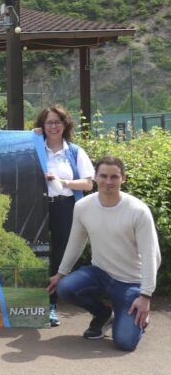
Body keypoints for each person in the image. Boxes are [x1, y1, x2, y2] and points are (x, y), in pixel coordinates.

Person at [47, 156, 160, 351]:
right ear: (95, 177)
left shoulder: (138, 211)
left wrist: (146, 296)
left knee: (125, 342)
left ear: (123, 178)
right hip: (100, 274)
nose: (108, 182)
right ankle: (103, 314)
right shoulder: (83, 206)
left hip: (131, 282)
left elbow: (152, 256)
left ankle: (137, 318)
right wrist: (60, 274)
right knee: (65, 288)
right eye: (103, 176)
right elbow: (76, 243)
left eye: (114, 177)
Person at [34, 105, 94, 327]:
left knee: (59, 257)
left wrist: (63, 182)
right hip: (37, 206)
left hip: (65, 206)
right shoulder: (33, 147)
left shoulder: (75, 151)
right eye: (49, 122)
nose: (53, 126)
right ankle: (29, 303)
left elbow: (88, 183)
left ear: (65, 124)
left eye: (57, 122)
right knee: (34, 253)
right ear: (42, 126)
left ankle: (51, 306)